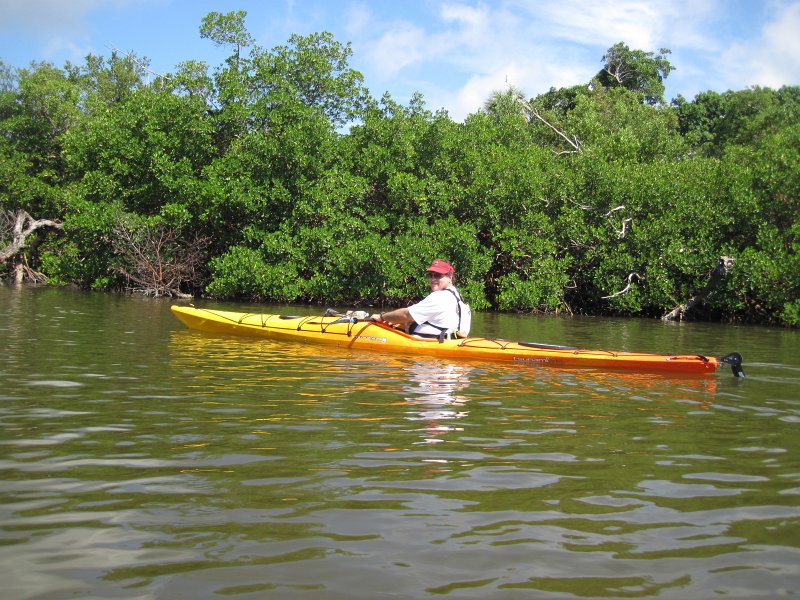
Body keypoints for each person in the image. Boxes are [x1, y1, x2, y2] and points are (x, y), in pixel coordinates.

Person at [370, 259, 470, 339]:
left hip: (429, 355)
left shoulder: (440, 297)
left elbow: (407, 314)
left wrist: (382, 317)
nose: (433, 279)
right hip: (448, 340)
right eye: (430, 275)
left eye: (438, 275)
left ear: (450, 277)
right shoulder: (455, 294)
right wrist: (397, 320)